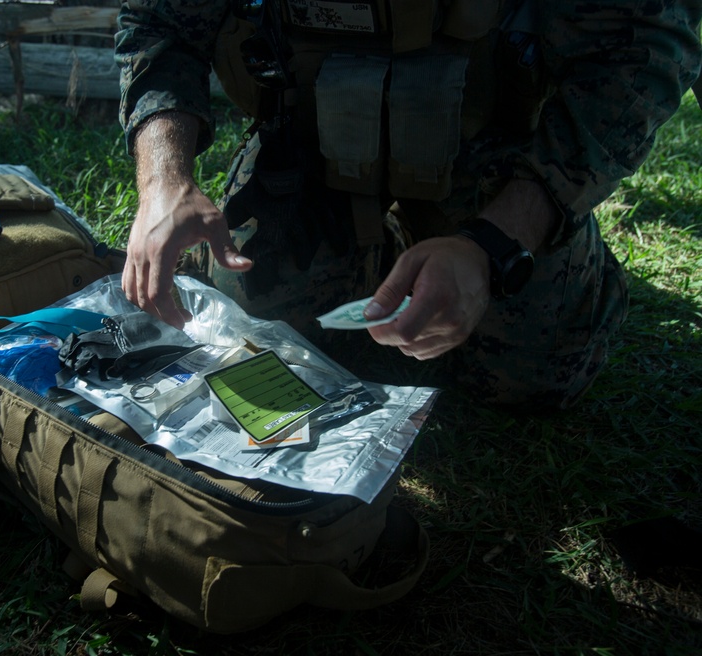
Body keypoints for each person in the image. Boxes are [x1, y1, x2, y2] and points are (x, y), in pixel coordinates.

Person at [113, 0, 702, 410]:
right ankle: (395, 246)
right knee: (260, 331)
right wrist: (164, 179)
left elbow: (641, 53)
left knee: (534, 379)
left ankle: (541, 264)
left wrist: (498, 240)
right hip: (308, 143)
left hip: (493, 156)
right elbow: (159, 21)